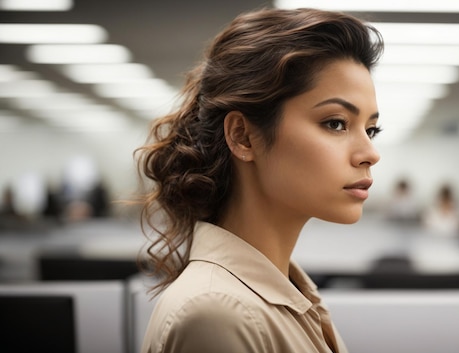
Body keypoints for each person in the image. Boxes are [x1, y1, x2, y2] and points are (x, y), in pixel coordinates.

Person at [135, 8, 383, 353]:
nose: (370, 153)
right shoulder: (217, 315)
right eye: (336, 123)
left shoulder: (287, 296)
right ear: (243, 137)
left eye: (371, 129)